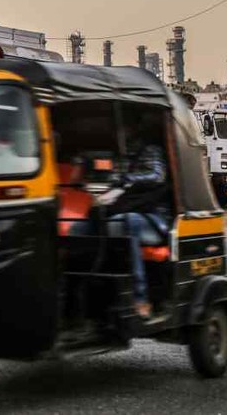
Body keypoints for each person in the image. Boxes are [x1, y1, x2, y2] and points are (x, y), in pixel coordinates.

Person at [72, 135, 170, 318]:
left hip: (154, 217)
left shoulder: (150, 150)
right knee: (77, 228)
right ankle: (79, 293)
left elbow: (158, 175)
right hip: (124, 210)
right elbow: (108, 180)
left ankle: (140, 297)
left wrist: (128, 178)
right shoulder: (117, 156)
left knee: (126, 223)